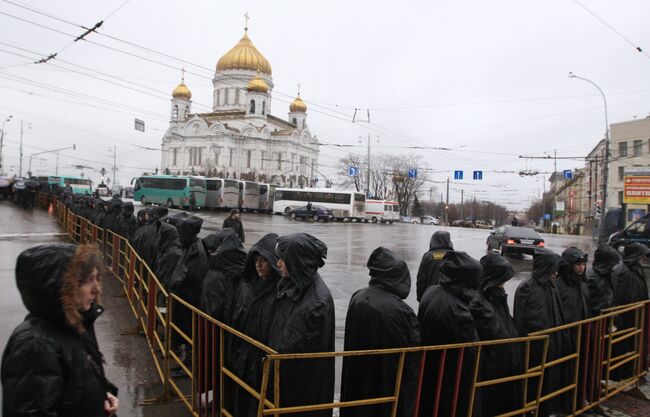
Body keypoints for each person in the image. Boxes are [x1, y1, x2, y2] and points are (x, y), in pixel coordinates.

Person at [2, 244, 119, 417]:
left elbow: (74, 385)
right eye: (85, 281)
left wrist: (100, 396)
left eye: (96, 278)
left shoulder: (71, 325)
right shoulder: (35, 346)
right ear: (59, 288)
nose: (97, 289)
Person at [340, 247, 421, 417]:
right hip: (386, 387)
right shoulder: (401, 311)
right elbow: (414, 351)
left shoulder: (358, 297)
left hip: (357, 383)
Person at [267, 233, 335, 417]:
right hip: (288, 384)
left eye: (283, 259)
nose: (278, 264)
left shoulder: (316, 303)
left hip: (301, 391)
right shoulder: (295, 283)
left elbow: (292, 348)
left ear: (296, 260)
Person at [418, 251, 482, 417]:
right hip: (449, 377)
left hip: (428, 370)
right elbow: (471, 348)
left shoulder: (431, 291)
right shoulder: (457, 309)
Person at [228, 233, 281, 417]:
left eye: (263, 261)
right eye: (256, 260)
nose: (258, 265)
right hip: (245, 357)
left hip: (258, 361)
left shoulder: (277, 293)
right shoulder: (250, 286)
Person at [514, 249, 572, 417]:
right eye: (553, 269)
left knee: (549, 379)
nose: (556, 273)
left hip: (552, 343)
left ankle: (547, 408)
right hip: (536, 346)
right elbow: (522, 320)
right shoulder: (527, 287)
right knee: (535, 381)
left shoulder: (550, 285)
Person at [469, 252, 522, 416]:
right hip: (492, 367)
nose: (504, 285)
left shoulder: (496, 297)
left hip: (504, 364)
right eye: (501, 281)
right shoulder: (479, 303)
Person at [415, 230, 454, 301]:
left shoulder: (428, 256)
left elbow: (421, 279)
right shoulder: (453, 256)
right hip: (449, 298)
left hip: (429, 296)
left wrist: (420, 297)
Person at [557, 247, 591, 324]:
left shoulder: (583, 283)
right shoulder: (559, 285)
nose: (582, 268)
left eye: (584, 264)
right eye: (578, 264)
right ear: (569, 265)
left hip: (581, 329)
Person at [586, 243, 622, 315]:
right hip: (596, 319)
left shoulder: (608, 275)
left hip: (605, 316)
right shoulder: (591, 278)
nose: (615, 266)